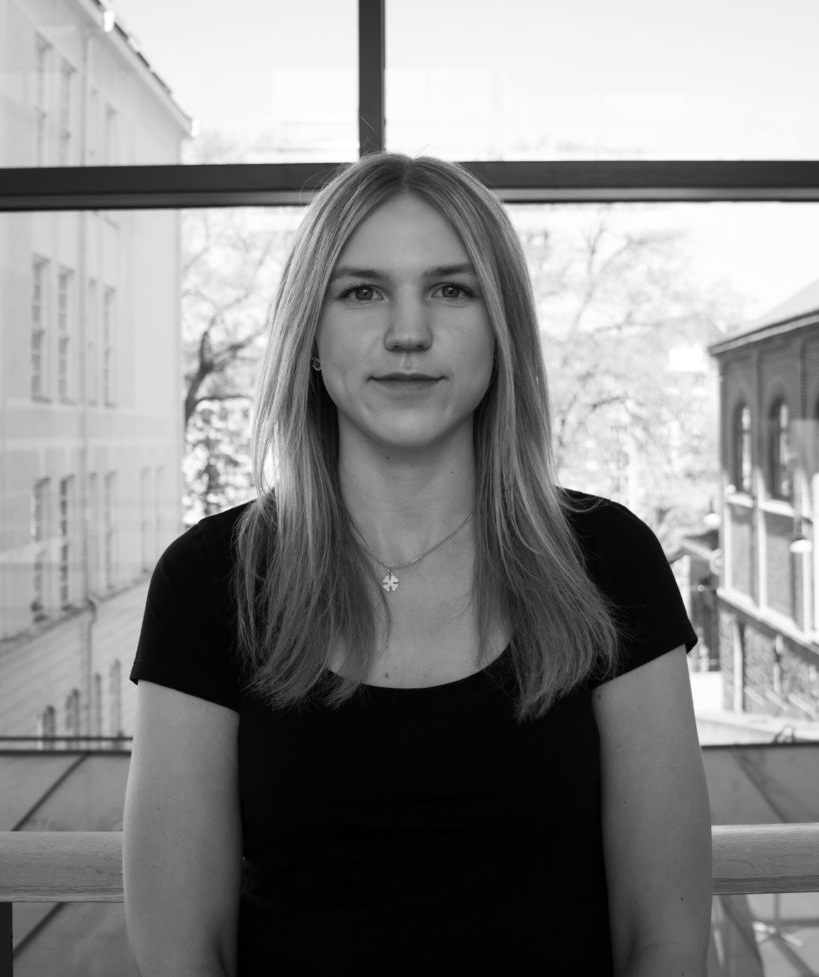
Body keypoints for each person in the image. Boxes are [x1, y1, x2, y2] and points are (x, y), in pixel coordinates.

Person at [123, 153, 712, 976]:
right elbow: (185, 956)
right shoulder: (209, 579)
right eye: (361, 291)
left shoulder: (609, 560)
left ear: (501, 329)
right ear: (310, 334)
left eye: (451, 289)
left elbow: (666, 944)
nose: (408, 332)